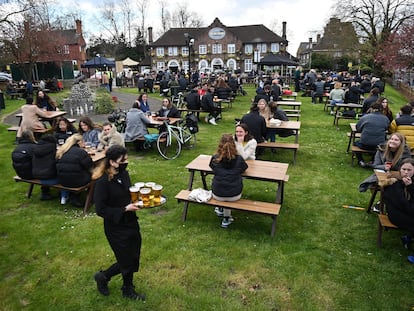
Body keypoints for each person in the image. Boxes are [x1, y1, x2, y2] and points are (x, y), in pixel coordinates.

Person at [92, 145, 146, 300]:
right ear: (112, 162)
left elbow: (127, 194)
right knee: (126, 260)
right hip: (115, 227)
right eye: (123, 160)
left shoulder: (123, 174)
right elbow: (100, 209)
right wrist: (124, 209)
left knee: (134, 257)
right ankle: (127, 289)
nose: (126, 162)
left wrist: (137, 200)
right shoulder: (103, 182)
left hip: (131, 222)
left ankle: (103, 276)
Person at [210, 134, 248, 228]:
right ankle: (226, 217)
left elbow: (213, 168)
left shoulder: (215, 159)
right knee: (229, 188)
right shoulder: (239, 159)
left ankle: (221, 209)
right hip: (235, 194)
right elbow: (244, 168)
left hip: (217, 194)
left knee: (221, 184)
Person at [381, 158, 414, 264]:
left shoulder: (412, 183)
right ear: (400, 169)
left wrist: (410, 187)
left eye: (409, 170)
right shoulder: (394, 183)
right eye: (404, 169)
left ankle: (408, 237)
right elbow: (401, 203)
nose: (406, 172)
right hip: (396, 213)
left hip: (409, 210)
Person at [56, 134, 93, 206]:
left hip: (62, 180)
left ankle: (70, 196)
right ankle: (90, 198)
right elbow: (89, 166)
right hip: (77, 181)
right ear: (79, 142)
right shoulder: (81, 152)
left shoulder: (62, 151)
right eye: (83, 141)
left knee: (74, 172)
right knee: (95, 176)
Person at [354, 102, 390, 167]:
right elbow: (387, 129)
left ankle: (360, 160)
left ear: (371, 109)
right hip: (380, 145)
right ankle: (373, 160)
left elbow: (358, 128)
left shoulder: (365, 117)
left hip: (364, 144)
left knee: (355, 143)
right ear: (382, 110)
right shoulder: (385, 119)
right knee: (380, 142)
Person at [32, 134, 58, 201]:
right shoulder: (52, 148)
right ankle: (66, 195)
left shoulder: (36, 147)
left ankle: (45, 193)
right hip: (49, 175)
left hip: (35, 174)